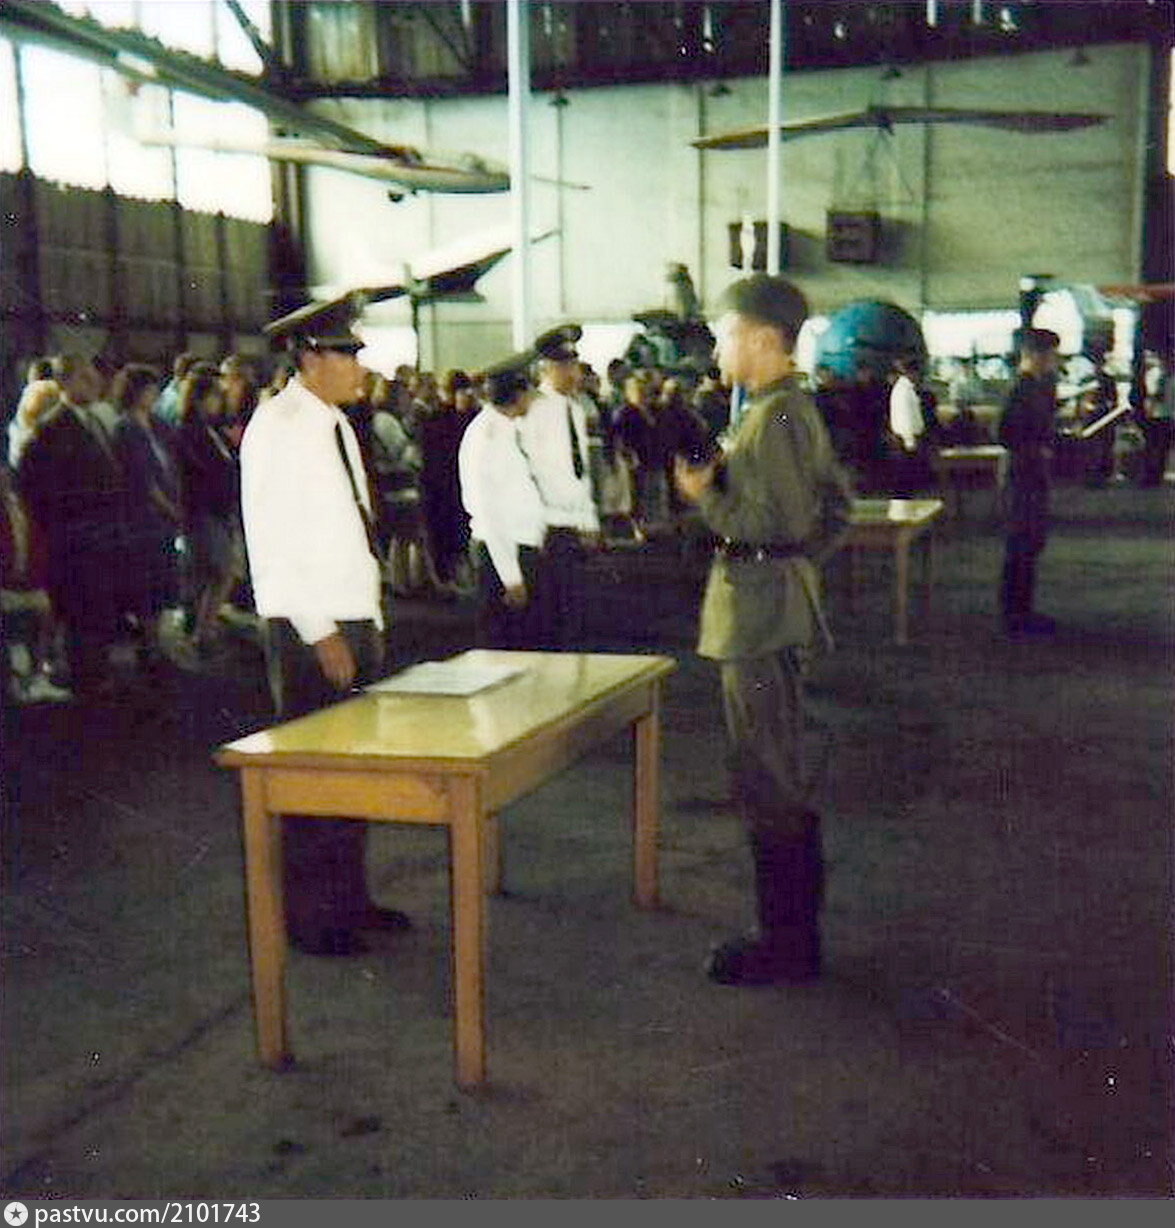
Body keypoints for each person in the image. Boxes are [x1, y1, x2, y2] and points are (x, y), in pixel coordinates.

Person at [673, 274, 852, 987]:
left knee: (766, 776)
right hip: (770, 606)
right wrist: (794, 570)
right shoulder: (783, 410)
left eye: (725, 335)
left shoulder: (775, 416)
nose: (719, 350)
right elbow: (833, 510)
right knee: (769, 769)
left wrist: (705, 496)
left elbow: (774, 522)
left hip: (756, 620)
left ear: (761, 338)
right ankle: (789, 935)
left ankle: (785, 945)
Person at [240, 300, 409, 958]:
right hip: (312, 626)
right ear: (311, 357)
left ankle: (350, 899)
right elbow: (271, 541)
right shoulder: (278, 427)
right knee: (314, 774)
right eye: (350, 354)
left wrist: (369, 619)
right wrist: (322, 631)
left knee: (354, 769)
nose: (361, 367)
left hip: (351, 616)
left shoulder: (332, 420)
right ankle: (313, 920)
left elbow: (349, 531)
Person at [15, 353, 129, 699]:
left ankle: (96, 673)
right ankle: (86, 681)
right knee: (82, 612)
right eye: (84, 378)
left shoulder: (91, 422)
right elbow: (36, 490)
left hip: (99, 535)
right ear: (64, 382)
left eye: (94, 377)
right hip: (77, 540)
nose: (95, 384)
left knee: (97, 610)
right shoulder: (51, 430)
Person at [458, 352, 548, 649]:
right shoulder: (487, 437)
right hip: (502, 554)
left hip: (521, 548)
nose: (533, 398)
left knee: (529, 647)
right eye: (529, 391)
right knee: (505, 649)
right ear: (517, 394)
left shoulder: (508, 428)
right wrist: (511, 577)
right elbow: (490, 513)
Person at [519, 324, 599, 647]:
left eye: (575, 365)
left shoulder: (575, 409)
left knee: (574, 614)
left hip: (572, 524)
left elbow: (580, 471)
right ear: (548, 369)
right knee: (552, 616)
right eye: (566, 366)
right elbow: (530, 472)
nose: (574, 373)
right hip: (548, 525)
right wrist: (537, 525)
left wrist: (589, 520)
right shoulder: (533, 409)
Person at [110, 363, 182, 670]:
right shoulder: (125, 428)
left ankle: (156, 642)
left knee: (163, 581)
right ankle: (149, 645)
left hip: (162, 516)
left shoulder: (156, 424)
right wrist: (169, 507)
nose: (154, 394)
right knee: (147, 584)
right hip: (142, 517)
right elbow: (141, 478)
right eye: (149, 389)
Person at [998, 327, 1061, 638]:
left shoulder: (1033, 387)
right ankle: (1016, 616)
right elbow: (1005, 433)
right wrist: (1036, 448)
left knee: (1029, 543)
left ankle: (1022, 611)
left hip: (1031, 473)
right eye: (1051, 355)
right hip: (1025, 475)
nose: (1054, 361)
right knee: (1022, 544)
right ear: (1034, 355)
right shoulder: (1021, 389)